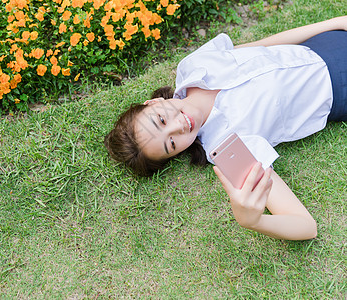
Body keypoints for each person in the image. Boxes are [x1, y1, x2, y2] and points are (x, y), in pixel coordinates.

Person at [104, 16, 347, 240]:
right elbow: (305, 226)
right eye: (172, 143)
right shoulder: (227, 147)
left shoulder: (191, 66)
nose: (180, 125)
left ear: (154, 102)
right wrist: (253, 221)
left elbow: (264, 45)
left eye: (161, 120)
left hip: (326, 43)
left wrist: (336, 22)